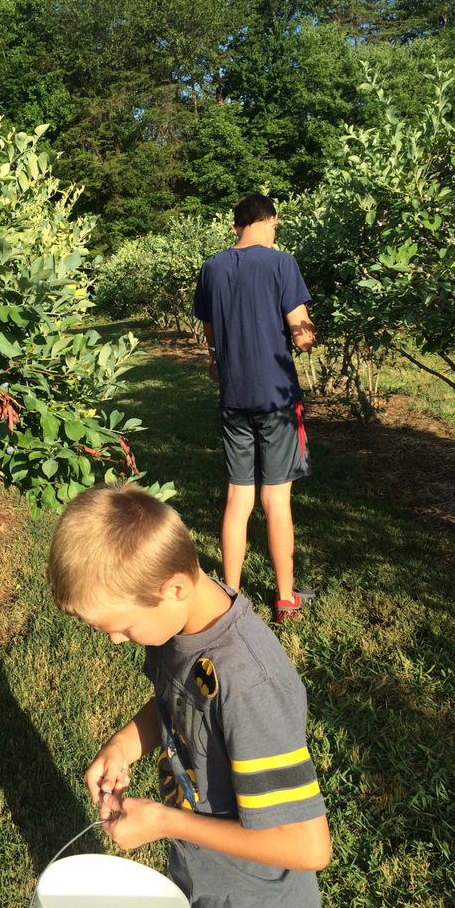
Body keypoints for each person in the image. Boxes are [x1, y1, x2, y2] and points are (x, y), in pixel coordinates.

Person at [47, 483, 331, 908]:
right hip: (203, 879)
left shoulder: (249, 684)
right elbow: (174, 704)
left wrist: (166, 822)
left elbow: (308, 847)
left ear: (174, 588)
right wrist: (123, 745)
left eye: (123, 628)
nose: (116, 640)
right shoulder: (177, 628)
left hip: (258, 903)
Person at [192, 193, 316, 623]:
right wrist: (307, 334)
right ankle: (285, 599)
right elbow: (301, 335)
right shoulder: (282, 263)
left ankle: (229, 597)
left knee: (237, 497)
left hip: (234, 395)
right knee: (276, 499)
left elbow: (209, 329)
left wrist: (216, 358)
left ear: (235, 227)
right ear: (271, 221)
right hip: (277, 397)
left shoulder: (212, 268)